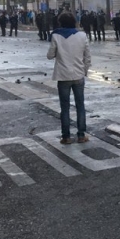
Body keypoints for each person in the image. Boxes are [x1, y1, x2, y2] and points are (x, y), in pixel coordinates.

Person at [47, 12, 91, 145]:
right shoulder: (82, 36)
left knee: (65, 107)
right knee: (80, 105)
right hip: (78, 74)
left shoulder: (56, 35)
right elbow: (87, 57)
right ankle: (81, 135)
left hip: (63, 75)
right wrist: (85, 71)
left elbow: (50, 55)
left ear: (60, 23)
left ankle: (66, 136)